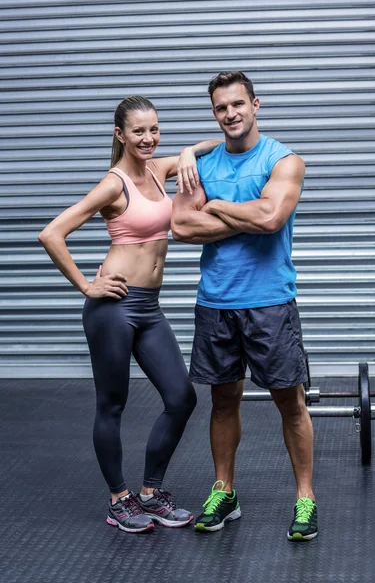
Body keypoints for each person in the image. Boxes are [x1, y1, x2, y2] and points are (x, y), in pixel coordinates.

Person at [38, 95, 221, 534]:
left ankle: (150, 494)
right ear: (120, 134)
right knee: (113, 404)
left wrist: (187, 153)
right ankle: (119, 499)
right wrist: (87, 285)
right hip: (113, 308)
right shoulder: (113, 184)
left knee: (181, 397)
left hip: (149, 308)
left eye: (154, 129)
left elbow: (216, 143)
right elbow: (52, 233)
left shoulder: (159, 170)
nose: (148, 138)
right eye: (138, 131)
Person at [171, 72, 317, 541]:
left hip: (270, 302)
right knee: (222, 401)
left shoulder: (284, 159)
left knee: (290, 403)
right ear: (214, 114)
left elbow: (273, 217)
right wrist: (241, 211)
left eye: (237, 104)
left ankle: (305, 499)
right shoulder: (204, 163)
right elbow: (182, 229)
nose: (230, 113)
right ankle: (224, 491)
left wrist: (213, 206)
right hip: (215, 301)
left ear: (256, 104)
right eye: (220, 108)